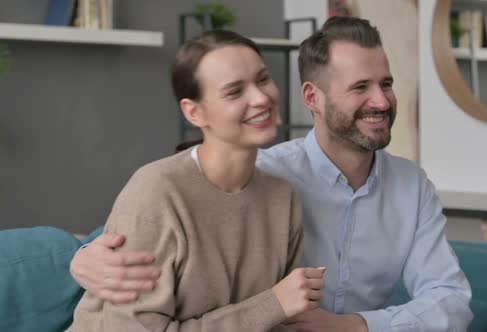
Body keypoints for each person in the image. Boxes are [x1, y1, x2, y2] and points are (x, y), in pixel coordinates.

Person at [71, 17, 473, 331]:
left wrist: (357, 326)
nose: (381, 100)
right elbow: (142, 228)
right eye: (361, 87)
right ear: (312, 97)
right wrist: (82, 258)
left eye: (386, 84)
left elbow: (451, 298)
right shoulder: (261, 172)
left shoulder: (405, 187)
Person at [70, 30, 326, 332]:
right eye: (234, 92)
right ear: (194, 112)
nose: (261, 98)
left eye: (262, 79)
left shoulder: (283, 196)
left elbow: (280, 321)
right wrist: (270, 305)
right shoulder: (158, 191)